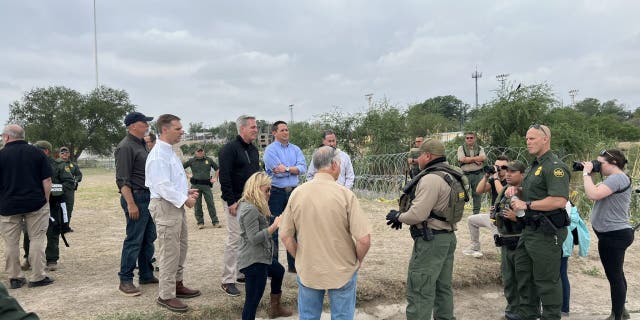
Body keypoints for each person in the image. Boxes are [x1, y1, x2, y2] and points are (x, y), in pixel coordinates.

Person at [280, 146, 371, 320]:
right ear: (335, 165)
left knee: (308, 316)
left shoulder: (297, 193)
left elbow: (285, 236)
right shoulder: (345, 195)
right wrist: (357, 261)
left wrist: (299, 256)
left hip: (309, 268)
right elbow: (364, 240)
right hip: (342, 269)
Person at [385, 139, 465, 320]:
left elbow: (418, 214)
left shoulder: (431, 179)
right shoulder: (452, 174)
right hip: (448, 237)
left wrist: (398, 217)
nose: (417, 159)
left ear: (427, 155)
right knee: (442, 287)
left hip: (431, 241)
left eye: (419, 155)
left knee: (420, 288)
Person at [509, 124, 570, 320]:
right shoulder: (533, 166)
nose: (528, 142)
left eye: (532, 138)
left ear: (545, 139)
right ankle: (528, 314)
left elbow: (559, 200)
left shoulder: (555, 167)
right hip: (529, 232)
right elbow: (535, 192)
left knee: (546, 280)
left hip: (546, 234)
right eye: (526, 139)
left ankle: (551, 316)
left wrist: (526, 204)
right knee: (524, 276)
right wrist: (518, 191)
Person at [146, 114, 201, 313]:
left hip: (173, 204)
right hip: (165, 206)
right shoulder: (159, 154)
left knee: (181, 247)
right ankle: (166, 295)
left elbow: (171, 182)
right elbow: (162, 186)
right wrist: (185, 199)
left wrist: (184, 192)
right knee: (169, 250)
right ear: (165, 130)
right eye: (178, 129)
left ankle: (177, 284)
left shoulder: (170, 152)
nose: (182, 131)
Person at [0, 125, 54, 289]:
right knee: (37, 239)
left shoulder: (1, 155)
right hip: (35, 203)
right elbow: (47, 181)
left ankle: (15, 277)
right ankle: (38, 276)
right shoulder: (37, 152)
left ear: (7, 137)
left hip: (7, 206)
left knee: (11, 243)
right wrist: (45, 200)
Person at [582, 149, 633, 320]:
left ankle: (616, 315)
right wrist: (591, 174)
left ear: (613, 163)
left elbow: (593, 194)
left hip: (614, 235)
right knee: (617, 273)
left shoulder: (617, 178)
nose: (598, 166)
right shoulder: (615, 179)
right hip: (614, 234)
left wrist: (586, 173)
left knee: (615, 276)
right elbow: (597, 192)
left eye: (600, 163)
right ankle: (622, 311)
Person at [238, 172, 292, 319]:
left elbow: (263, 222)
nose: (269, 193)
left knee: (278, 271)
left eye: (270, 190)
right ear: (256, 188)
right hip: (254, 261)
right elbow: (254, 238)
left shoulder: (254, 205)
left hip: (261, 257)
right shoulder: (249, 209)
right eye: (266, 190)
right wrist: (274, 226)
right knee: (252, 302)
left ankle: (275, 308)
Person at [115, 111, 158, 296]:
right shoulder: (125, 147)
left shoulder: (141, 144)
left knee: (149, 238)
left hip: (147, 197)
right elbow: (122, 180)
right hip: (136, 198)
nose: (147, 125)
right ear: (133, 125)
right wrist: (131, 203)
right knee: (134, 239)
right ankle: (125, 279)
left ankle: (146, 273)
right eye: (143, 123)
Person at [218, 115, 261, 297]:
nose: (256, 130)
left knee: (248, 238)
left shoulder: (253, 150)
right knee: (235, 239)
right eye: (252, 127)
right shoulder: (229, 150)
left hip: (251, 201)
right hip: (235, 201)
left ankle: (242, 271)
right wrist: (231, 202)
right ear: (242, 129)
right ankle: (227, 280)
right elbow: (225, 177)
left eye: (256, 127)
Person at [264, 120, 306, 273]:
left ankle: (294, 265)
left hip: (294, 192)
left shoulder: (296, 149)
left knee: (294, 228)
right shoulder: (270, 151)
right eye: (282, 130)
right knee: (274, 229)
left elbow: (303, 168)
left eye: (287, 130)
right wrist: (292, 170)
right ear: (274, 133)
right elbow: (276, 170)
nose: (285, 132)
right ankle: (273, 266)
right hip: (276, 192)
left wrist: (286, 168)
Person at [492, 160, 528, 320]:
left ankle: (526, 313)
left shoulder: (528, 191)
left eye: (512, 172)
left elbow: (535, 220)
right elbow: (498, 210)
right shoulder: (505, 190)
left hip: (521, 242)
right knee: (508, 281)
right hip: (506, 241)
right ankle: (512, 312)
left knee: (524, 281)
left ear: (522, 174)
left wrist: (517, 219)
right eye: (507, 171)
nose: (508, 174)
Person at [32, 141, 75, 272]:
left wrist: (51, 190)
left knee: (53, 231)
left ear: (46, 151)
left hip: (52, 203)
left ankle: (51, 259)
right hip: (33, 204)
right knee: (30, 234)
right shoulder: (29, 163)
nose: (35, 151)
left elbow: (68, 183)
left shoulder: (58, 165)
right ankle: (29, 258)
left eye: (38, 149)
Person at [463, 155, 509, 258]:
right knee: (471, 220)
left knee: (501, 252)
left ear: (508, 169)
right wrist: (486, 176)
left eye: (503, 167)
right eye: (497, 166)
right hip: (492, 217)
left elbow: (503, 193)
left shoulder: (510, 181)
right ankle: (475, 248)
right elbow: (479, 191)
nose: (499, 169)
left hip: (504, 220)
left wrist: (496, 178)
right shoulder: (493, 180)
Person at [560, 192, 590, 317]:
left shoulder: (562, 202)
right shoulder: (566, 201)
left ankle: (563, 308)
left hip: (561, 243)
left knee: (560, 275)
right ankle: (564, 308)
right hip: (565, 243)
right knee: (561, 274)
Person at [183, 147, 220, 228]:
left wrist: (215, 178)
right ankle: (200, 222)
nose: (200, 153)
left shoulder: (209, 160)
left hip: (206, 186)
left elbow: (217, 169)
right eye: (198, 151)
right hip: (195, 186)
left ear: (203, 152)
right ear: (195, 152)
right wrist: (188, 175)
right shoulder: (192, 161)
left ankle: (215, 221)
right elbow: (180, 168)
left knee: (210, 203)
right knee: (197, 205)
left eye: (201, 151)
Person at [457, 132, 487, 215]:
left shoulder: (480, 148)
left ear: (475, 138)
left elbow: (483, 157)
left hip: (478, 174)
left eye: (471, 138)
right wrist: (476, 159)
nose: (469, 139)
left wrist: (469, 159)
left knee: (477, 194)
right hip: (465, 175)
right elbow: (462, 159)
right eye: (467, 138)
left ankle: (476, 213)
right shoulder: (461, 148)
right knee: (462, 194)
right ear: (465, 139)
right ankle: (458, 212)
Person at [58, 146, 82, 232]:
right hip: (58, 190)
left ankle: (66, 227)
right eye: (62, 152)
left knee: (68, 207)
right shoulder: (55, 164)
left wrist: (76, 180)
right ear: (59, 154)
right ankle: (58, 226)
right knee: (58, 208)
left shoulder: (73, 165)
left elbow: (79, 175)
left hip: (69, 190)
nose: (64, 154)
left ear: (69, 154)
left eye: (66, 152)